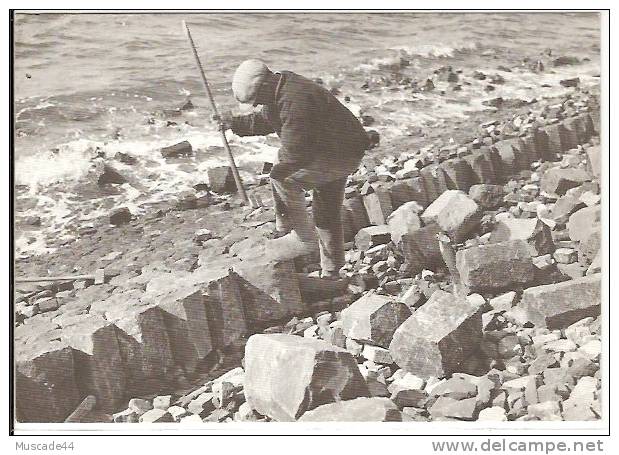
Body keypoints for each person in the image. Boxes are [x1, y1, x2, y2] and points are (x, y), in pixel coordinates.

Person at [216, 59, 370, 280]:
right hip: (337, 149)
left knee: (281, 176)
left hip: (340, 155)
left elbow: (296, 153)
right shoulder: (283, 86)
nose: (258, 104)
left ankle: (301, 237)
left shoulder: (294, 101)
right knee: (326, 212)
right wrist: (233, 123)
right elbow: (265, 121)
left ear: (265, 86)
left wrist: (280, 182)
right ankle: (331, 272)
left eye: (257, 99)